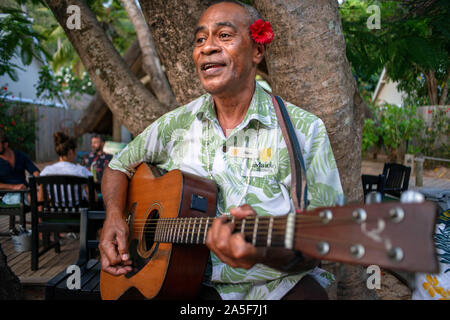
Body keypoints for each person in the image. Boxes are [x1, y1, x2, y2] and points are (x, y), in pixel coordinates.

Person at [99, 0, 344, 300]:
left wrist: (264, 251)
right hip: (182, 285)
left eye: (224, 35)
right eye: (200, 39)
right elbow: (117, 167)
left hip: (273, 289)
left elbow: (324, 240)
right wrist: (113, 217)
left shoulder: (304, 131)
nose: (207, 47)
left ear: (257, 50)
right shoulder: (176, 124)